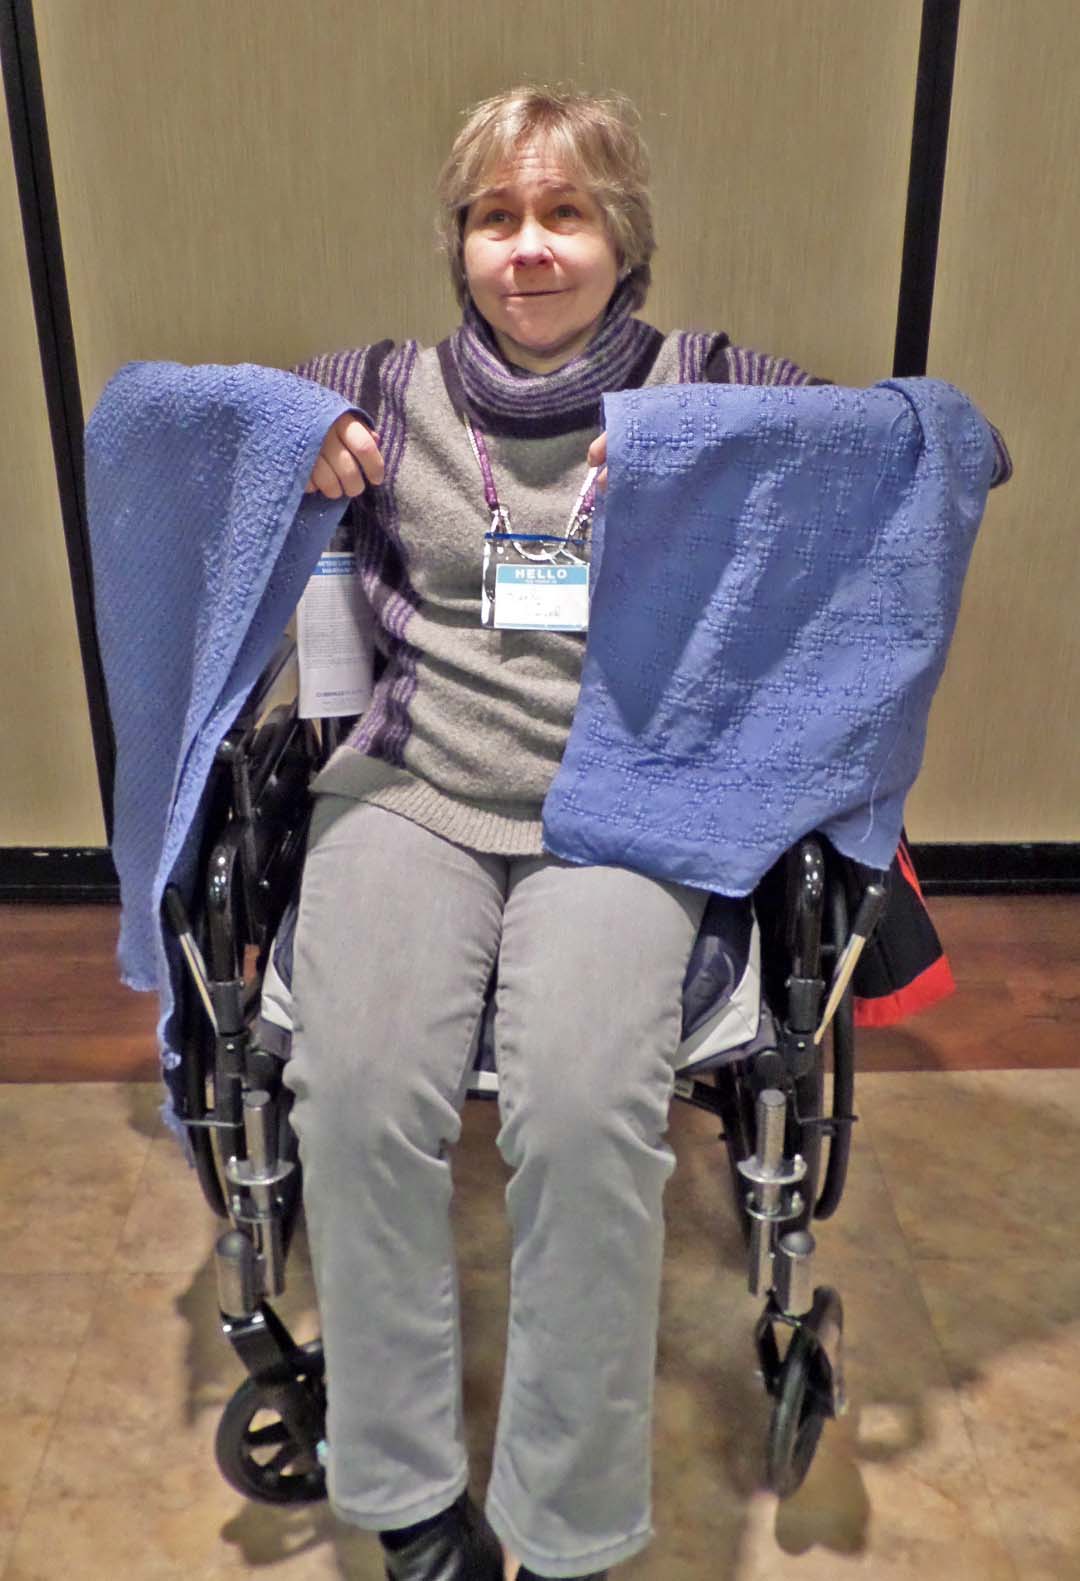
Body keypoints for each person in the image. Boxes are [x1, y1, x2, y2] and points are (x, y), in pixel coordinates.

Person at [281, 84, 869, 1581]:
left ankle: (564, 1524)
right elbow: (160, 428)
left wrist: (718, 447)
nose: (529, 247)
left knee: (589, 1111)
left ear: (625, 239)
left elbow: (928, 446)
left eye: (566, 213)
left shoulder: (707, 378)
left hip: (625, 797)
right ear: (460, 243)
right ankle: (406, 1493)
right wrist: (282, 436)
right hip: (411, 788)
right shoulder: (377, 385)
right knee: (354, 1093)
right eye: (496, 216)